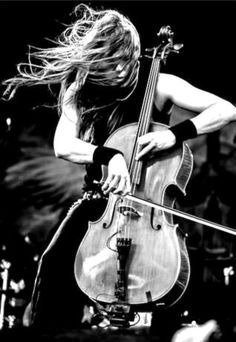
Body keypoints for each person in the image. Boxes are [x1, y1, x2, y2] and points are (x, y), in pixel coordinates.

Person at [2, 2, 236, 334]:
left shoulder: (158, 84)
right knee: (53, 265)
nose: (125, 70)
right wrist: (108, 156)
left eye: (130, 60)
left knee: (187, 274)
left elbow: (225, 110)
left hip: (148, 203)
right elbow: (63, 145)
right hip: (103, 201)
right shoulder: (79, 88)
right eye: (114, 64)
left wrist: (174, 134)